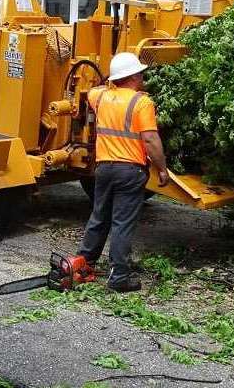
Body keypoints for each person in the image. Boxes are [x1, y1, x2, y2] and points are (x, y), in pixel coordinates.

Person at [77, 52, 170, 292]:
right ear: (132, 76)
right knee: (122, 224)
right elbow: (150, 139)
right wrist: (162, 169)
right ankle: (118, 277)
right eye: (139, 73)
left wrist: (112, 75)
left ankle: (83, 265)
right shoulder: (142, 102)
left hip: (104, 168)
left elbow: (96, 87)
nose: (142, 76)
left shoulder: (100, 97)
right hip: (129, 170)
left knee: (99, 217)